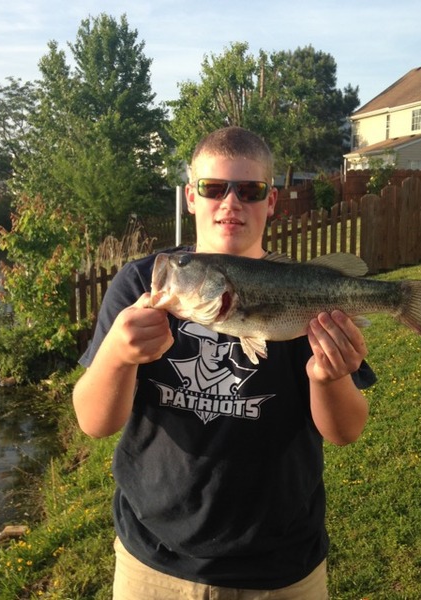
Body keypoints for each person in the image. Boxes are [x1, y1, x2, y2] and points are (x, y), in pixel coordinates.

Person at [72, 126, 376, 599]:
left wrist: (327, 377)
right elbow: (94, 423)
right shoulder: (138, 286)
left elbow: (346, 431)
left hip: (282, 568)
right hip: (153, 563)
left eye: (249, 191)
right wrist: (116, 355)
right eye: (214, 188)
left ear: (271, 202)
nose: (230, 203)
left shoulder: (303, 292)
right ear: (191, 197)